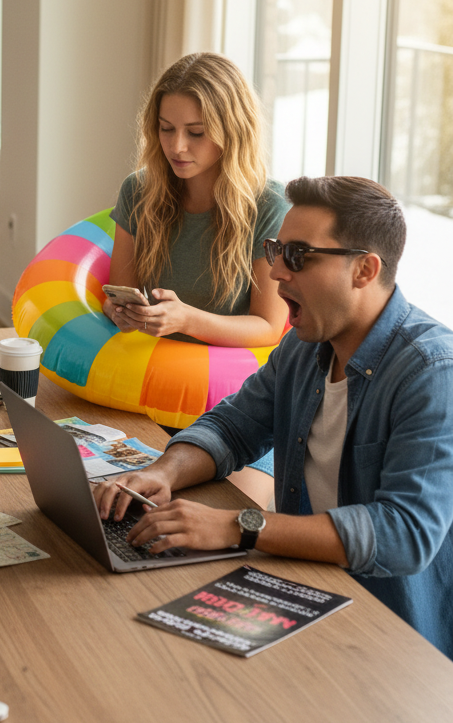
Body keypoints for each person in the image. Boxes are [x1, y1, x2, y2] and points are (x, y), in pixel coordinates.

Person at [94, 176, 453, 659]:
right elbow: (231, 426)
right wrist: (162, 472)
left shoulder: (432, 373)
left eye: (299, 255)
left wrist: (237, 525)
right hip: (300, 592)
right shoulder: (304, 348)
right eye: (275, 249)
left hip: (390, 641)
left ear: (364, 270)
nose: (277, 271)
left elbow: (404, 535)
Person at [103, 52, 289, 349]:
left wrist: (187, 320)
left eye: (196, 132)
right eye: (166, 128)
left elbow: (268, 327)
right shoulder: (138, 190)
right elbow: (119, 296)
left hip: (229, 386)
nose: (177, 146)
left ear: (233, 131)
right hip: (144, 371)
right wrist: (118, 311)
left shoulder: (269, 205)